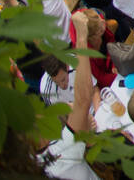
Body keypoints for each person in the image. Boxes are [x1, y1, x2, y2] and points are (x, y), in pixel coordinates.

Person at [40, 12, 98, 180]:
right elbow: (62, 116)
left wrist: (97, 110)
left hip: (93, 116)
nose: (63, 85)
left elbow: (94, 90)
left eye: (64, 80)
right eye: (58, 83)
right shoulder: (46, 89)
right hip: (78, 129)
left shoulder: (77, 63)